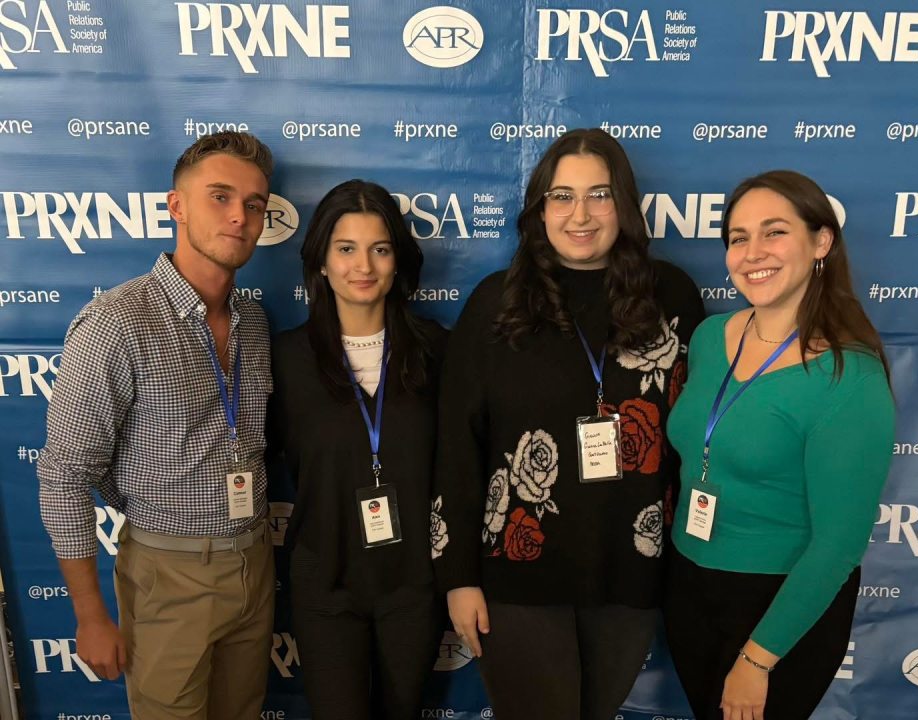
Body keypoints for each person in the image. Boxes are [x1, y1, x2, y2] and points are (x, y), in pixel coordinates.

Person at [431, 128, 704, 720]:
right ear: (540, 210)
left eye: (599, 194)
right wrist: (458, 577)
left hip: (630, 574)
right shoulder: (495, 303)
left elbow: (692, 444)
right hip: (517, 578)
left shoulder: (672, 297)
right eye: (562, 197)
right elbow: (457, 447)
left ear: (624, 204)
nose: (580, 214)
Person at [37, 131, 276, 719]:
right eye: (219, 197)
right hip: (169, 573)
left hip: (256, 560)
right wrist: (91, 616)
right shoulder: (117, 322)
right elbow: (65, 476)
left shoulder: (254, 320)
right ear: (176, 206)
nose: (238, 217)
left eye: (253, 205)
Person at [663, 170, 895, 720]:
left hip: (779, 608)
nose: (752, 252)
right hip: (690, 584)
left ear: (821, 242)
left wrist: (757, 660)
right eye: (738, 237)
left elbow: (837, 547)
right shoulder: (708, 338)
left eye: (774, 232)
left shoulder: (848, 378)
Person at [269, 180, 445, 720]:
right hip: (327, 583)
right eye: (345, 248)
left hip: (414, 583)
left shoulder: (439, 350)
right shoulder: (285, 359)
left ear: (397, 261)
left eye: (380, 248)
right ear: (321, 261)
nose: (362, 265)